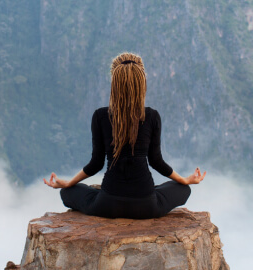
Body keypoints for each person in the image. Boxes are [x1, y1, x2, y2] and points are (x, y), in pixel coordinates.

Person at [43, 52, 206, 219]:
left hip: (107, 205)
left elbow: (96, 164)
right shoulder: (151, 116)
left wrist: (70, 183)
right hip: (147, 206)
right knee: (183, 189)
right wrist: (185, 180)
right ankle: (154, 192)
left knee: (67, 192)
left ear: (114, 83)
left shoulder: (100, 116)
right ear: (142, 82)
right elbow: (156, 161)